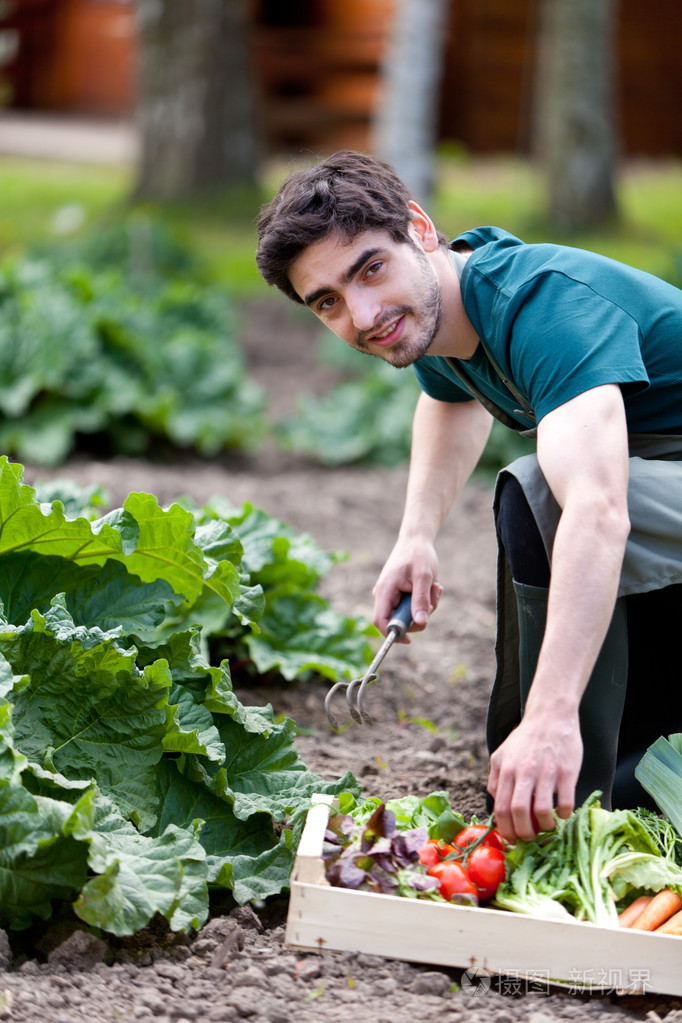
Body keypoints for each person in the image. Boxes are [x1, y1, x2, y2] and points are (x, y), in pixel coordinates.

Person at [255, 149, 682, 843]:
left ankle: (574, 795)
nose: (362, 315)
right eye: (327, 302)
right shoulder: (459, 295)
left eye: (369, 268)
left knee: (542, 498)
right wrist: (415, 536)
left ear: (419, 228)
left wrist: (550, 712)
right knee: (542, 495)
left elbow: (599, 512)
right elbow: (452, 398)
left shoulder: (542, 306)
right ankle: (559, 776)